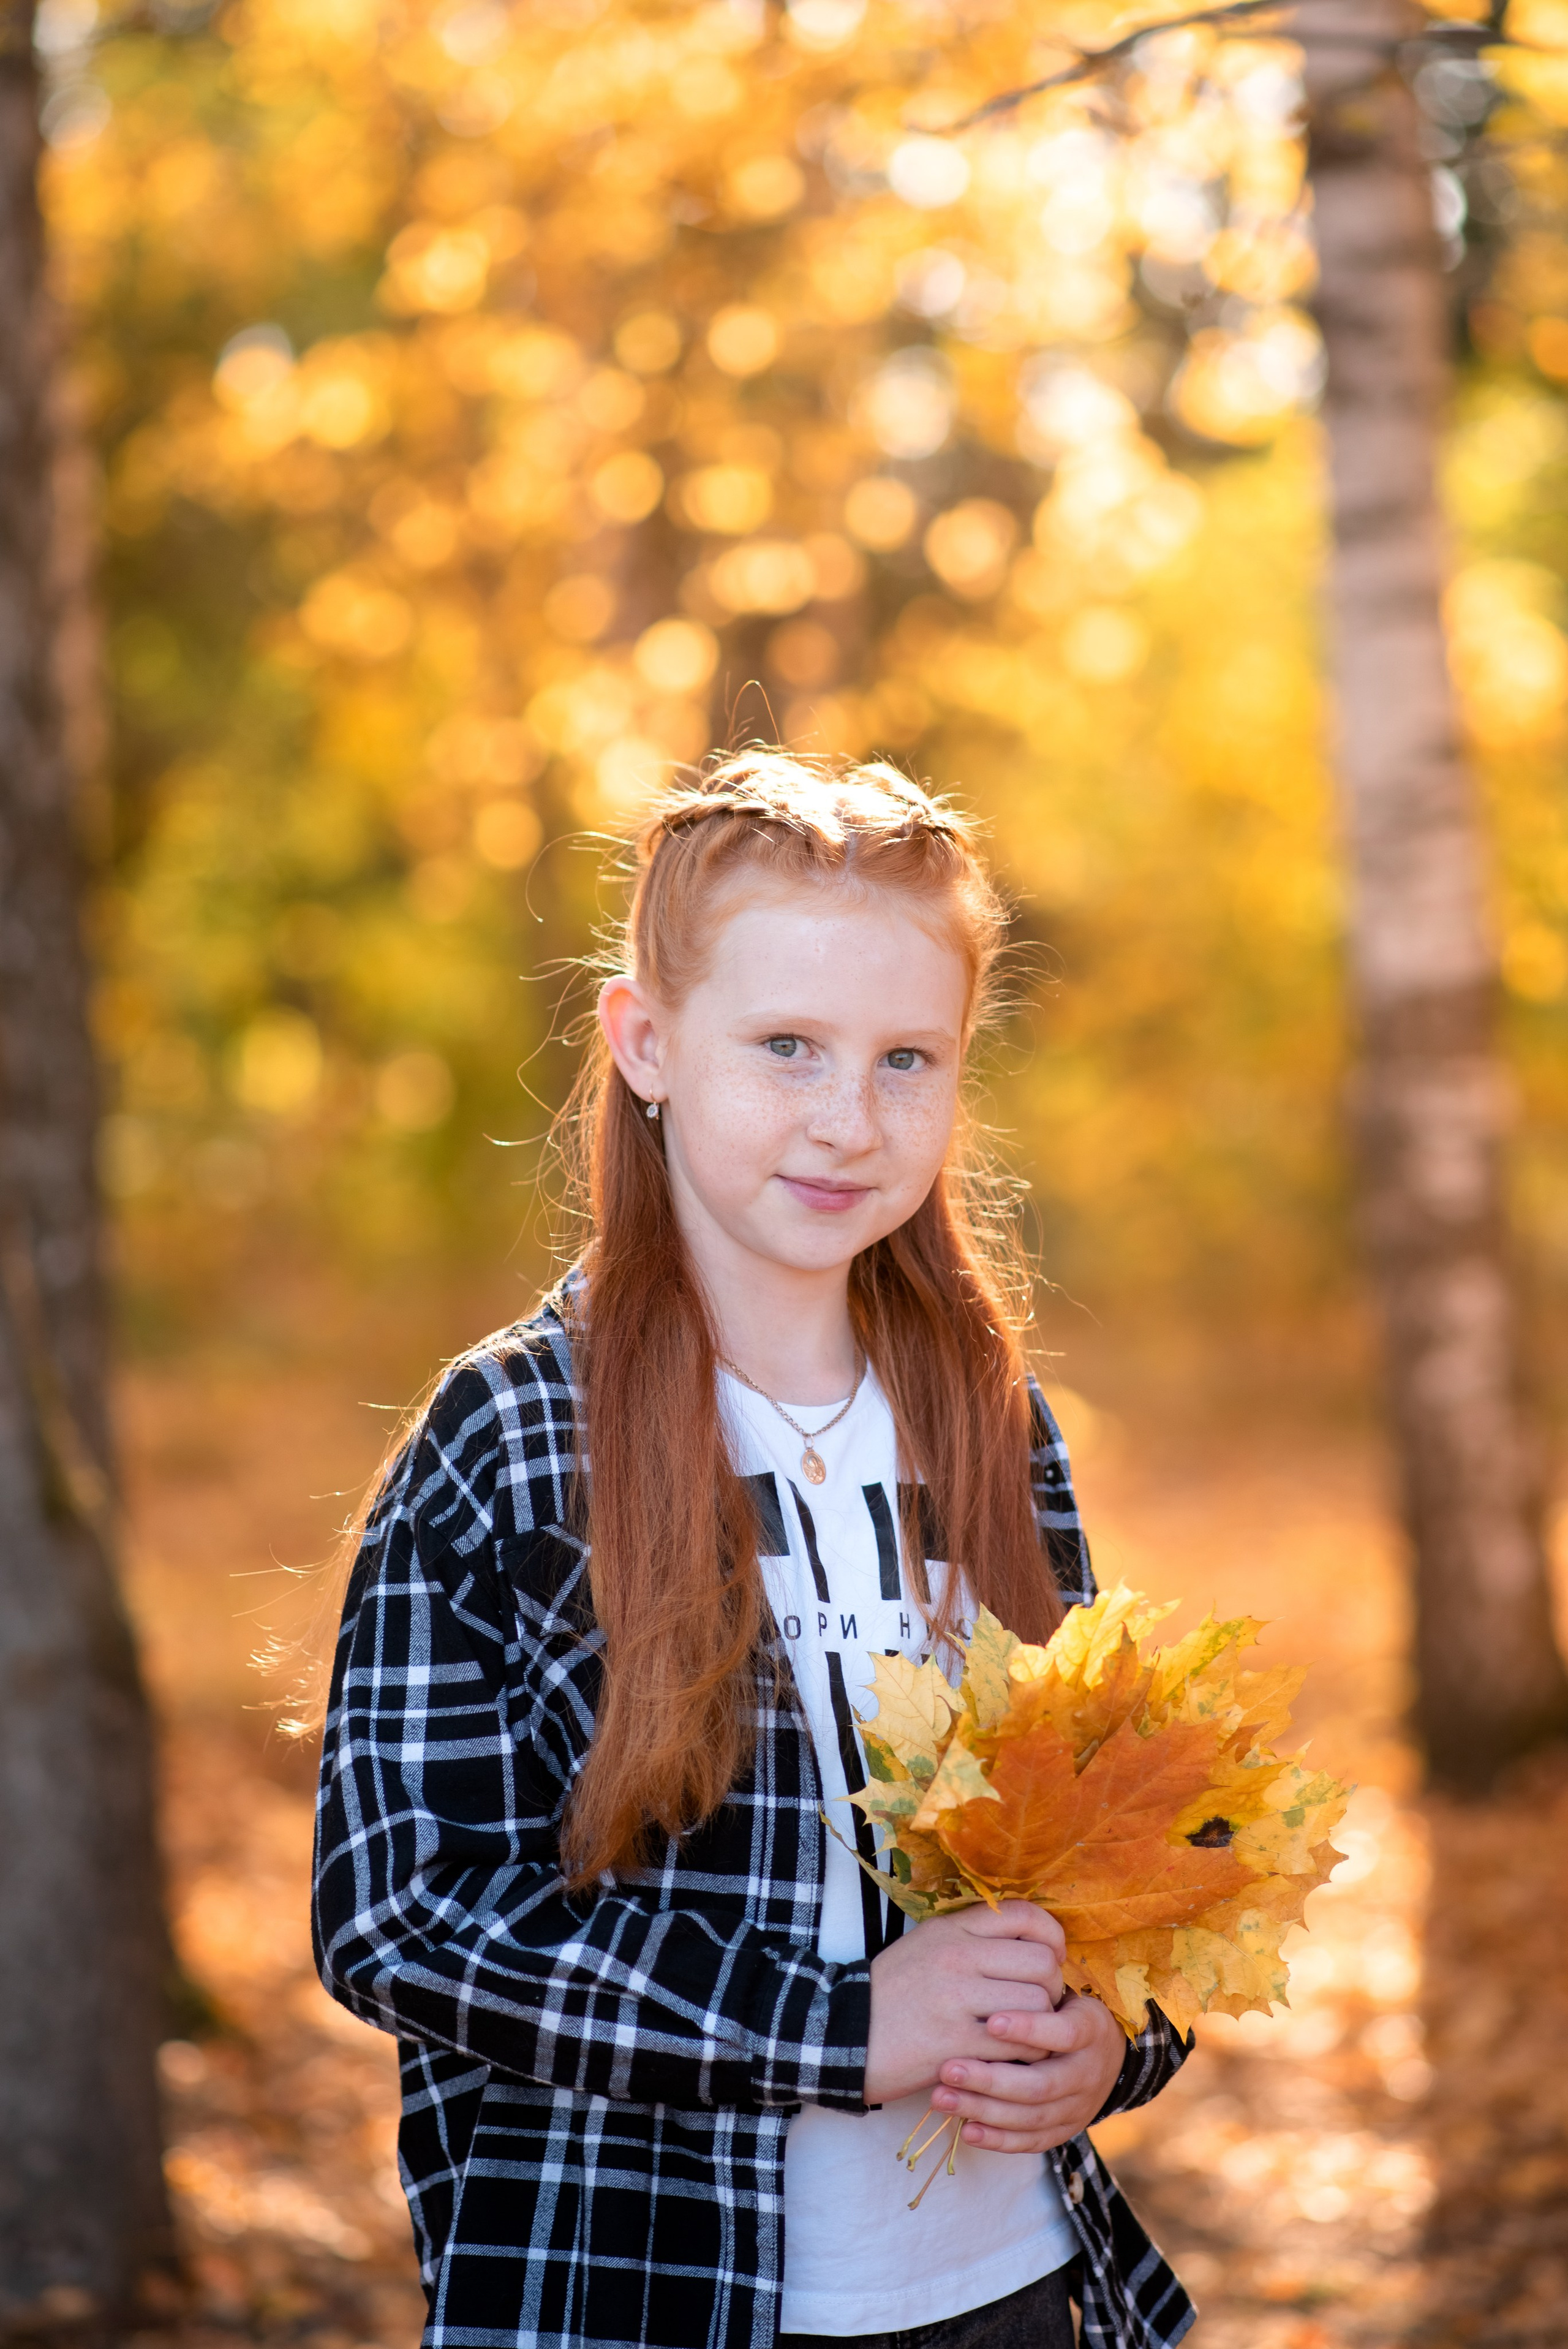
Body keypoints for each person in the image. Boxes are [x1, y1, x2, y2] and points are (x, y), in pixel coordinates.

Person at [312, 754, 1196, 2349]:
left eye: (907, 1059)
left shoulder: (989, 1423)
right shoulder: (515, 1436)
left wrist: (1107, 2038)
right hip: (658, 2292)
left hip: (1007, 2287)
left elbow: (1105, 1842)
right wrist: (837, 2028)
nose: (849, 1119)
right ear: (646, 1043)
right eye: (788, 1046)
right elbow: (403, 1915)